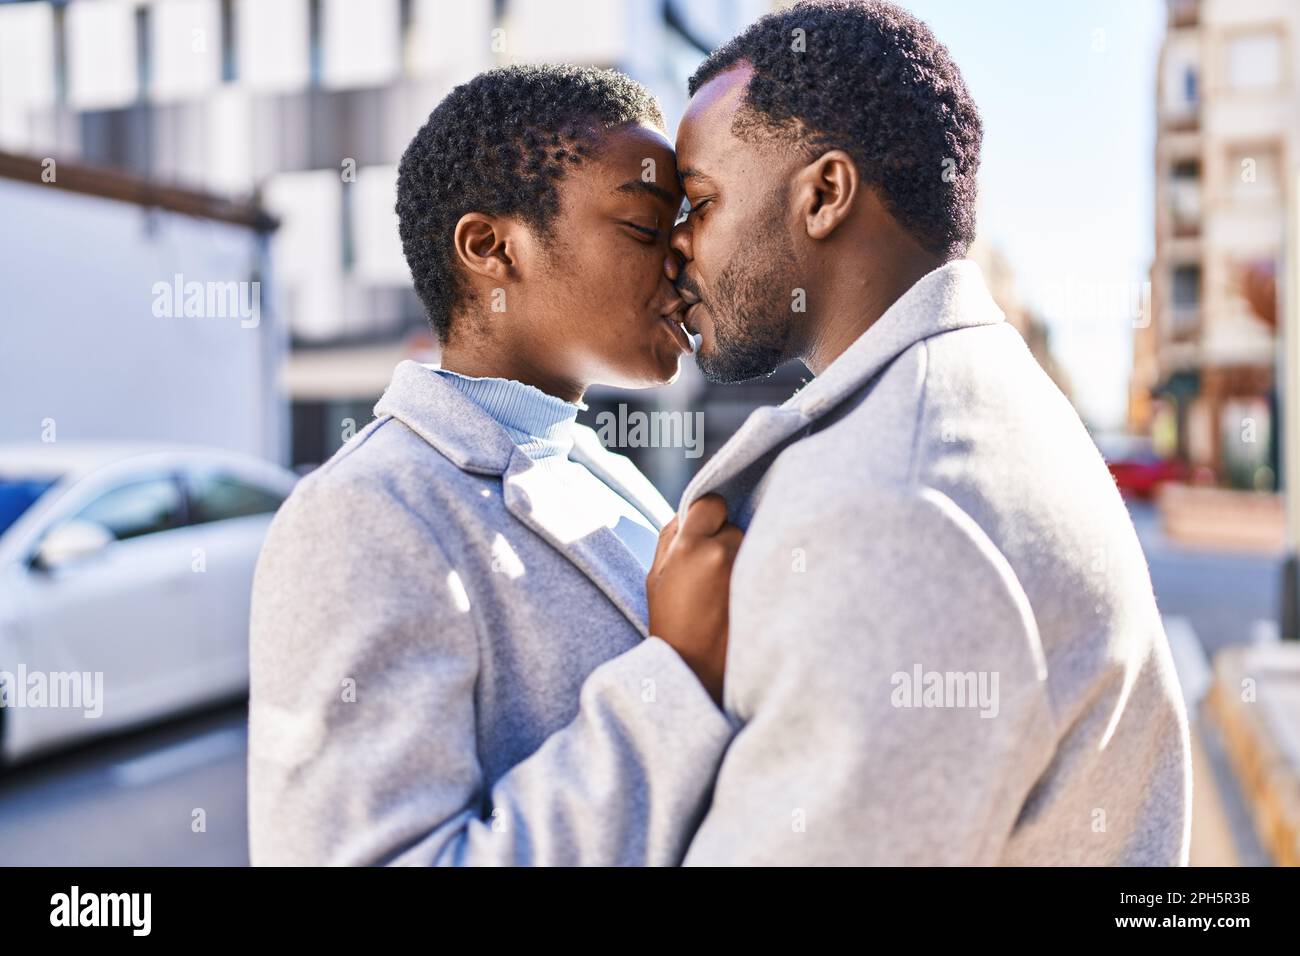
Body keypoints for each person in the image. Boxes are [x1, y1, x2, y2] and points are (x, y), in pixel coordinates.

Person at [667, 0, 1192, 865]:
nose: (677, 245)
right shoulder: (969, 401)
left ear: (825, 194)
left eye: (701, 202)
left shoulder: (899, 503)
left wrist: (669, 680)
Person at [247, 64, 740, 866]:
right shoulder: (367, 513)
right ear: (490, 248)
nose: (682, 258)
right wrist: (674, 677)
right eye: (647, 230)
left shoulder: (593, 460)